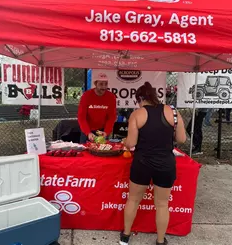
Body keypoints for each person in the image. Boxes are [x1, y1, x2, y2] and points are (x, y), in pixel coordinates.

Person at [119, 82, 186, 245]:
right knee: (162, 204)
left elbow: (132, 142)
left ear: (141, 98)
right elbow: (182, 139)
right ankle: (160, 240)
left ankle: (125, 236)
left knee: (133, 200)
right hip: (165, 163)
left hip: (142, 162)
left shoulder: (137, 114)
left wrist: (125, 142)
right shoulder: (173, 112)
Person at [78, 73, 116, 143]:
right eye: (101, 84)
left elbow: (111, 117)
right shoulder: (86, 96)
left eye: (106, 84)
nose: (104, 87)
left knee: (102, 152)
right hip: (87, 130)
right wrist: (88, 132)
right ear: (95, 84)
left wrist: (106, 132)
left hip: (102, 131)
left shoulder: (111, 97)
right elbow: (81, 117)